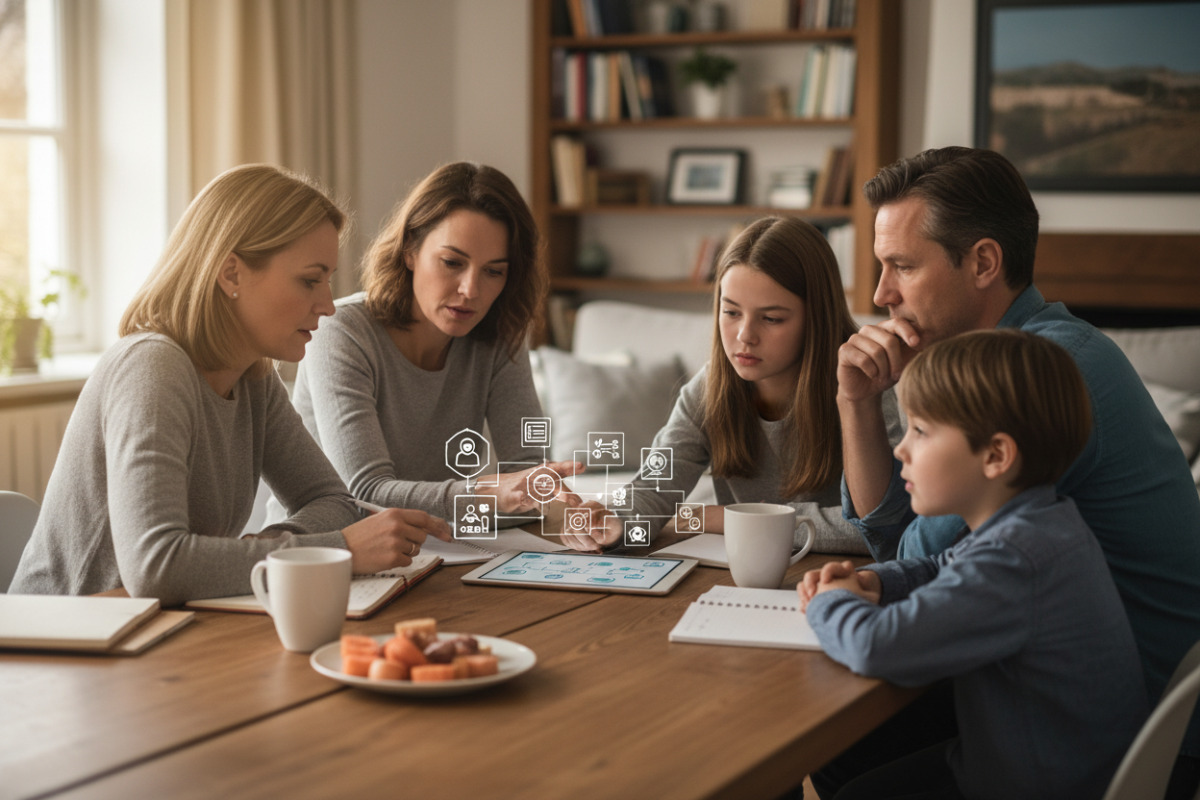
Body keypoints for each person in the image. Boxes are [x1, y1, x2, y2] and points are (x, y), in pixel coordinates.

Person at [835, 146, 1200, 797]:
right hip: (1071, 699)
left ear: (982, 262)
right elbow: (912, 550)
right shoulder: (1029, 357)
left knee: (845, 742)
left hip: (1125, 739)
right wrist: (857, 402)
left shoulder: (1039, 376)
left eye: (902, 267)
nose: (879, 295)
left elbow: (904, 552)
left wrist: (861, 584)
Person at [9, 164, 450, 605]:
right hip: (60, 651)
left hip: (156, 633)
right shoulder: (153, 367)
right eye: (310, 279)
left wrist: (254, 555)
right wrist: (338, 550)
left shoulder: (253, 376)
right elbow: (156, 568)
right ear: (231, 274)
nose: (327, 305)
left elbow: (332, 499)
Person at [801, 330, 1149, 800]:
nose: (901, 449)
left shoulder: (1016, 557)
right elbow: (941, 566)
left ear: (995, 456)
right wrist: (871, 582)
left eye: (921, 431)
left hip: (1035, 785)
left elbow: (878, 646)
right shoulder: (1041, 521)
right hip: (1037, 766)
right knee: (848, 767)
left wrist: (831, 601)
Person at [561, 216, 900, 553]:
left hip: (846, 580)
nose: (744, 337)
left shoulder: (867, 386)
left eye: (771, 318)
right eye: (731, 312)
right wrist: (614, 519)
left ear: (817, 318)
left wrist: (725, 518)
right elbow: (654, 487)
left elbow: (879, 527)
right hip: (742, 572)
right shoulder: (711, 388)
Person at [286, 162, 581, 525]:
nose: (471, 290)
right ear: (410, 250)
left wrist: (567, 509)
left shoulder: (500, 334)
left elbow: (527, 476)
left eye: (494, 271)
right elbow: (365, 493)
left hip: (442, 549)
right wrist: (489, 495)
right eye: (452, 262)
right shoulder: (340, 331)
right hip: (331, 554)